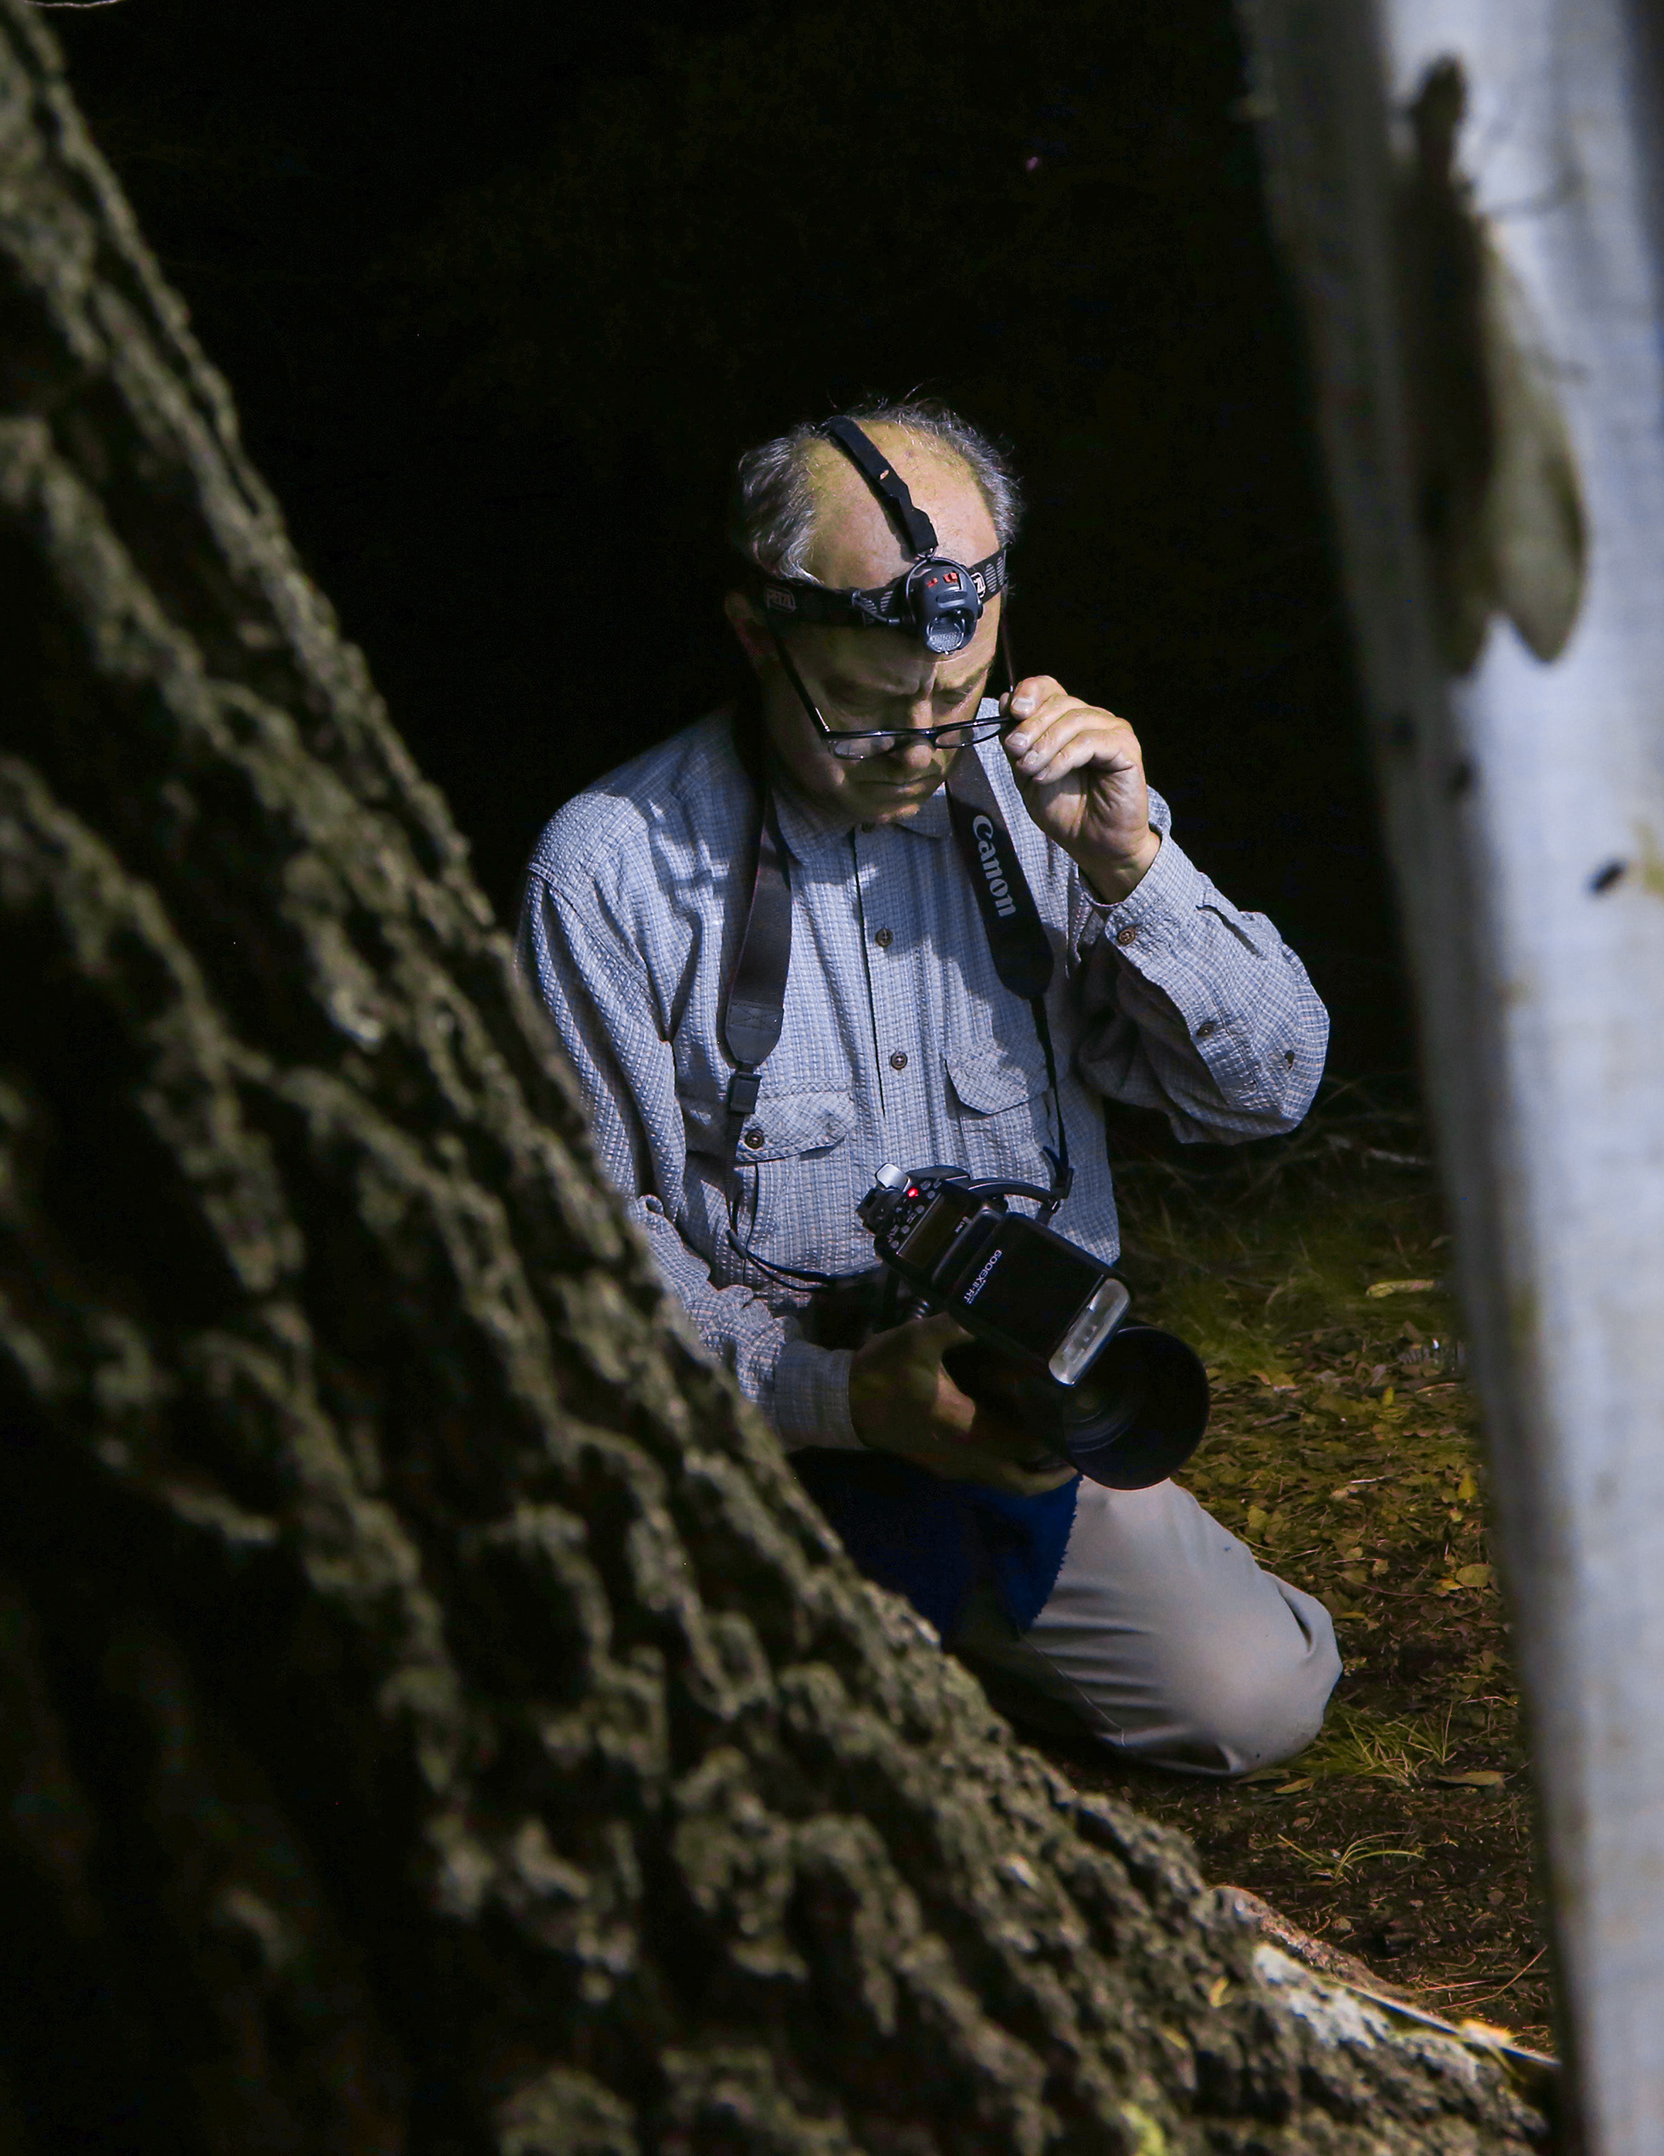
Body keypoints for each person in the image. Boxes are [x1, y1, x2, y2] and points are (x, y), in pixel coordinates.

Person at [521, 396, 1340, 1776]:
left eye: (954, 703)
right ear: (756, 635)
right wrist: (840, 1396)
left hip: (1028, 1425)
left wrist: (1137, 869)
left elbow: (1272, 1088)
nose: (919, 749)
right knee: (736, 1769)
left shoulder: (1047, 802)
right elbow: (576, 1267)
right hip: (764, 1453)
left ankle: (979, 1645)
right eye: (865, 713)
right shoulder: (606, 872)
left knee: (1252, 1703)